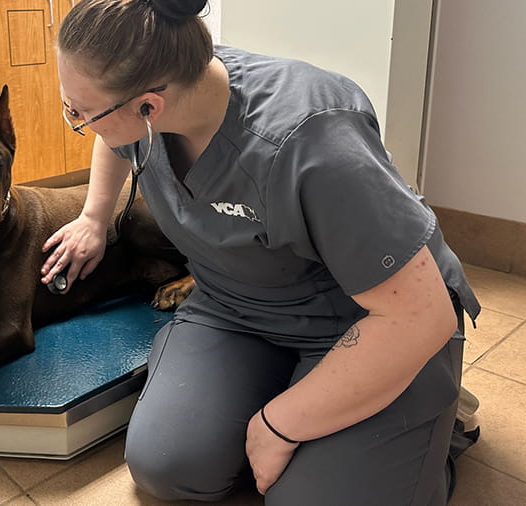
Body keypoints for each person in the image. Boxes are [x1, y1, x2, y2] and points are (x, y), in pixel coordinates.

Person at [39, 0, 481, 504]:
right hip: (235, 304)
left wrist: (280, 423)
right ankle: (306, 402)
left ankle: (430, 431)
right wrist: (94, 219)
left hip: (366, 317)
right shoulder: (160, 86)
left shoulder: (312, 138)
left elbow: (419, 317)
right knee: (167, 466)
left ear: (148, 106)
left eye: (76, 111)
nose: (76, 118)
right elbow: (115, 136)